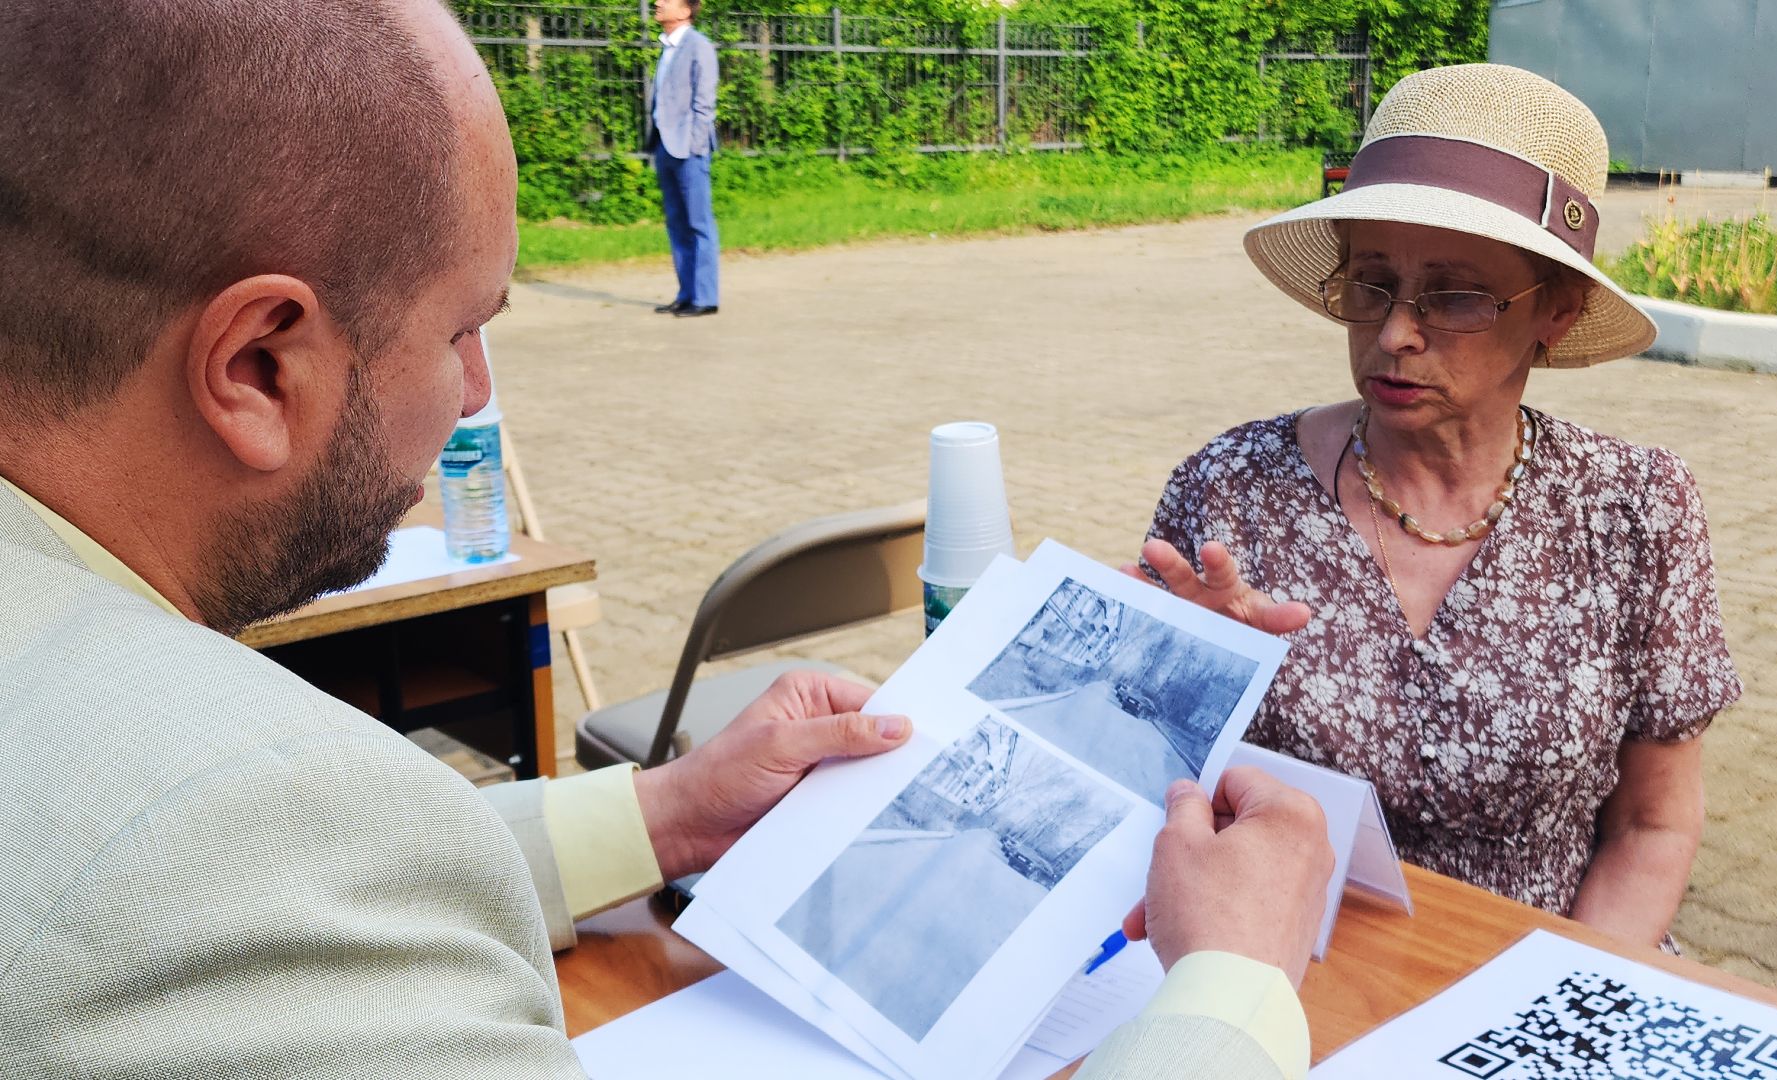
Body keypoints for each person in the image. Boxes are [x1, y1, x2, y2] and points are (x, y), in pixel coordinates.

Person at [0, 2, 1334, 1076]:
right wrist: (1230, 987)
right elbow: (282, 873)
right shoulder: (232, 821)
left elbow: (328, 883)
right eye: (460, 330)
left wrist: (670, 811)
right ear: (257, 367)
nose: (474, 394)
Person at [1133, 64, 1742, 951]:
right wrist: (1184, 692)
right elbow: (1154, 791)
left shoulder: (1634, 511)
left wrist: (1549, 995)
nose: (1393, 334)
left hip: (1554, 963)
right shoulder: (1229, 490)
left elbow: (1654, 826)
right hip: (1274, 964)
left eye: (1455, 295)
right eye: (1371, 283)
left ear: (1557, 312)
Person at [648, 0, 721, 318]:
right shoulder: (668, 47)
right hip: (665, 146)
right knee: (676, 223)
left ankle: (705, 297)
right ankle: (686, 294)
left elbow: (704, 103)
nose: (658, 3)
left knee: (698, 223)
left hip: (689, 149)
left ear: (686, 10)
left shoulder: (699, 46)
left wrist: (694, 145)